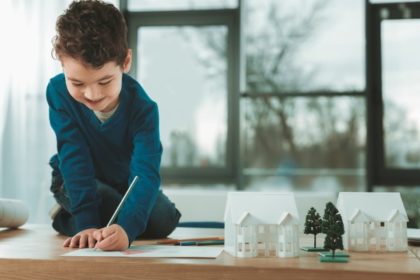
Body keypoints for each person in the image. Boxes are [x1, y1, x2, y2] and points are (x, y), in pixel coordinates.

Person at [47, 0, 181, 251]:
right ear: (63, 65)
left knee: (164, 219)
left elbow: (145, 173)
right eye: (77, 83)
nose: (92, 94)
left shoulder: (144, 110)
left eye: (105, 81)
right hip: (75, 178)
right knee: (103, 207)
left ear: (126, 62)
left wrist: (127, 230)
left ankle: (89, 217)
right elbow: (74, 156)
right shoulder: (57, 92)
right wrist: (86, 223)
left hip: (122, 183)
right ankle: (70, 218)